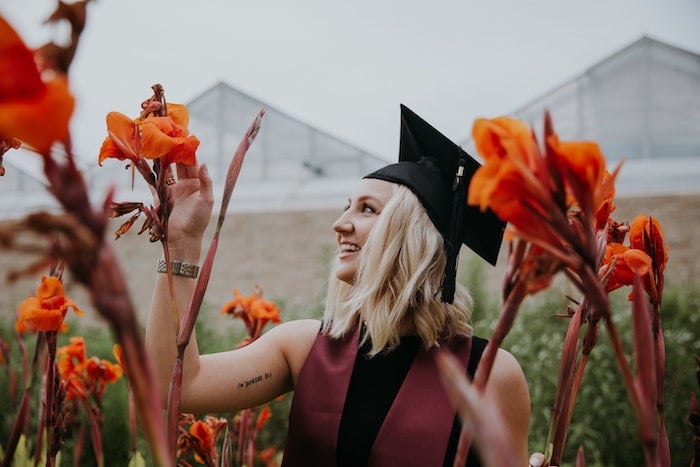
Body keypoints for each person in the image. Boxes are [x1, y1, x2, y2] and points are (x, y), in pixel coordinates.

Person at [145, 105, 531, 466]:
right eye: (346, 205)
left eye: (367, 209)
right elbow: (174, 386)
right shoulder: (303, 349)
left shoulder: (490, 374)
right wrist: (183, 243)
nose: (339, 223)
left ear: (414, 237)